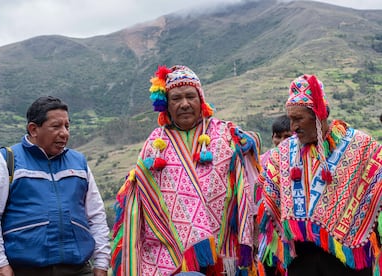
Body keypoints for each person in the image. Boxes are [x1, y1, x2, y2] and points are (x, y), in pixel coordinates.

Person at [111, 65, 261, 275]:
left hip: (222, 249)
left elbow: (250, 176)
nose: (184, 104)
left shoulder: (224, 135)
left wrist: (253, 138)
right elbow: (142, 195)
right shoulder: (155, 144)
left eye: (190, 96)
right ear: (166, 105)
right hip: (171, 251)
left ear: (201, 100)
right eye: (176, 98)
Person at [256, 74, 382, 276]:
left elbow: (377, 180)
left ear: (319, 115)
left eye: (299, 119)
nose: (293, 127)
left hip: (346, 258)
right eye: (291, 119)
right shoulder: (283, 153)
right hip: (302, 259)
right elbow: (270, 194)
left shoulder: (358, 146)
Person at [0, 96, 111, 276]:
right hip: (23, 270)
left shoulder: (79, 163)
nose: (64, 133)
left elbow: (96, 215)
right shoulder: (5, 160)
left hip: (78, 269)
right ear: (33, 129)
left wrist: (102, 262)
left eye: (67, 126)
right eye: (56, 126)